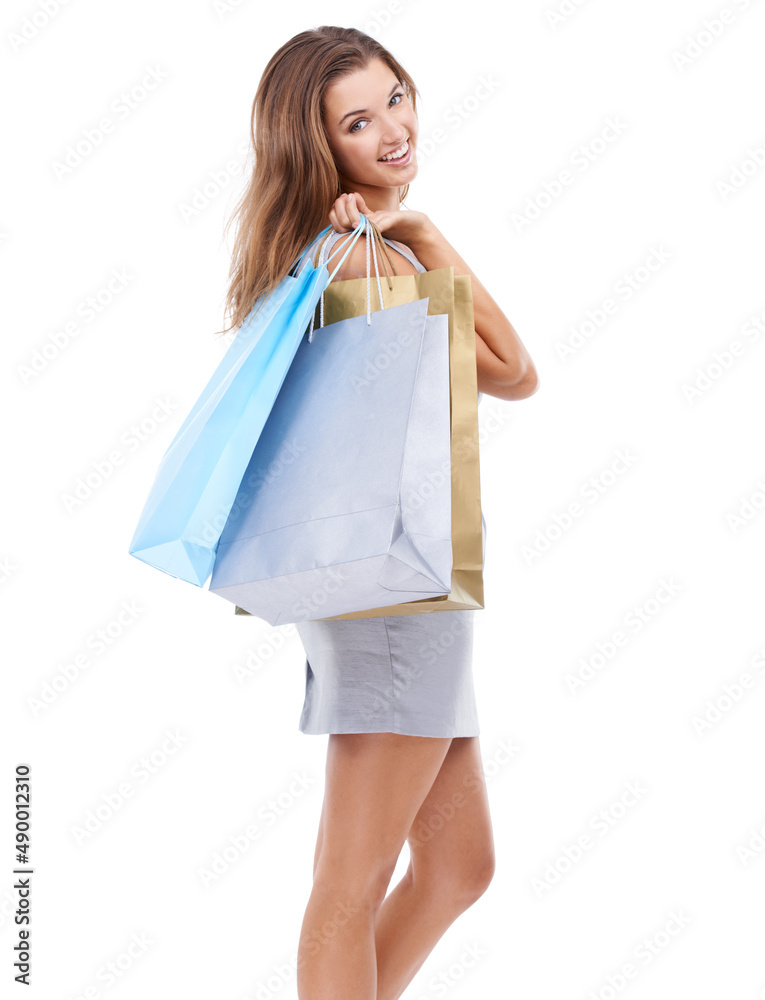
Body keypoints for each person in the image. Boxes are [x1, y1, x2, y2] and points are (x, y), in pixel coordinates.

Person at [219, 24, 539, 1000]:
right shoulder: (357, 257)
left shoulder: (362, 248)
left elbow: (495, 375)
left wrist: (423, 235)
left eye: (394, 97)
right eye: (359, 122)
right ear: (321, 150)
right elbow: (514, 373)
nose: (393, 129)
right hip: (397, 594)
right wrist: (427, 238)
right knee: (349, 884)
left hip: (414, 583)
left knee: (457, 865)